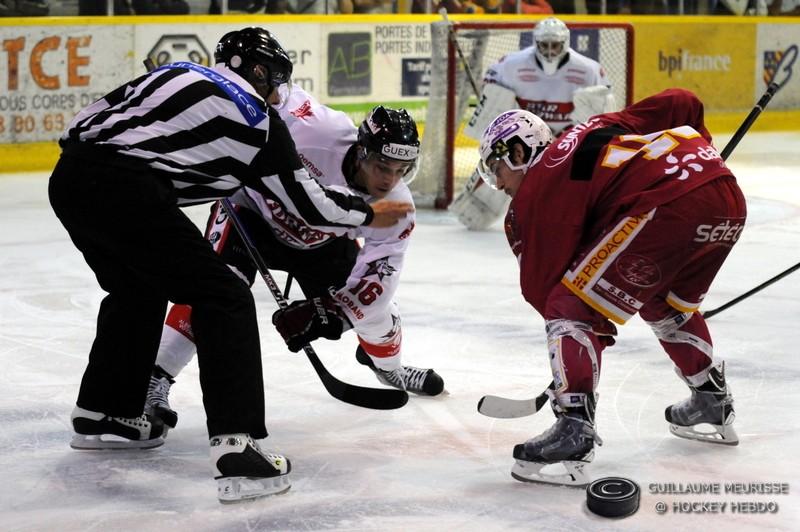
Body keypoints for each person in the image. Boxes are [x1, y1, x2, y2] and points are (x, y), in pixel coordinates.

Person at [48, 27, 413, 503]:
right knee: (225, 296)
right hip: (130, 191)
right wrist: (369, 213)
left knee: (136, 288)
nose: (279, 94)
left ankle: (105, 413)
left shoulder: (173, 73)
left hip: (71, 178)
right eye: (276, 83)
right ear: (262, 73)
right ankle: (239, 446)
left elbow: (80, 126)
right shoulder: (259, 117)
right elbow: (309, 207)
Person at [476, 88, 743, 486]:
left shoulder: (536, 190)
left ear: (517, 153)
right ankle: (710, 399)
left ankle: (574, 429)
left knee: (568, 308)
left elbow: (545, 292)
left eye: (495, 170)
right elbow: (681, 101)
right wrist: (701, 150)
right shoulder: (596, 127)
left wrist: (572, 362)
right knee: (662, 304)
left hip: (667, 205)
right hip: (726, 196)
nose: (498, 186)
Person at [144, 90, 445, 433]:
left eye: (401, 170)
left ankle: (389, 366)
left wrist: (333, 316)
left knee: (378, 313)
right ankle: (155, 379)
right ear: (362, 152)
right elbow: (270, 100)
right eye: (382, 166)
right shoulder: (317, 130)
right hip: (252, 214)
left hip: (323, 241)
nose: (390, 180)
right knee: (215, 288)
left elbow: (380, 276)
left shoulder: (397, 205)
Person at [451, 16, 615, 230]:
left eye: (555, 45)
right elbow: (491, 86)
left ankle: (585, 203)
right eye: (544, 45)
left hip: (568, 139)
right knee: (473, 214)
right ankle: (480, 200)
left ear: (565, 43)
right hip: (524, 139)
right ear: (535, 43)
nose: (549, 51)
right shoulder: (511, 64)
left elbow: (604, 111)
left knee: (598, 100)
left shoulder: (588, 69)